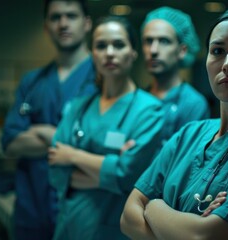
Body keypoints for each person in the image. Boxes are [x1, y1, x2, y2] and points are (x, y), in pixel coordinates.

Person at [120, 3, 228, 240]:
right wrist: (185, 228)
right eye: (217, 51)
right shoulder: (189, 134)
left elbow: (206, 236)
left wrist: (154, 207)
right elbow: (127, 218)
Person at [48, 15, 164, 240]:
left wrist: (72, 155)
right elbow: (54, 168)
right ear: (92, 54)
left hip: (112, 228)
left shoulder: (149, 110)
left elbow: (128, 175)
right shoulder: (78, 108)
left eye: (118, 45)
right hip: (69, 225)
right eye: (101, 46)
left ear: (133, 52)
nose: (109, 52)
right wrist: (110, 173)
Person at [0, 0, 96, 239]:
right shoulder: (32, 82)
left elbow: (95, 145)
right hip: (31, 209)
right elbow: (10, 143)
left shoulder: (102, 79)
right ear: (46, 27)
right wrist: (65, 138)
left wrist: (41, 131)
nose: (63, 23)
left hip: (82, 211)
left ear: (86, 24)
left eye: (71, 16)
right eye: (55, 17)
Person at [141, 6, 210, 142]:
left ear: (182, 50)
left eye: (164, 41)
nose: (153, 50)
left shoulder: (193, 104)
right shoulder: (138, 98)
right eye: (148, 41)